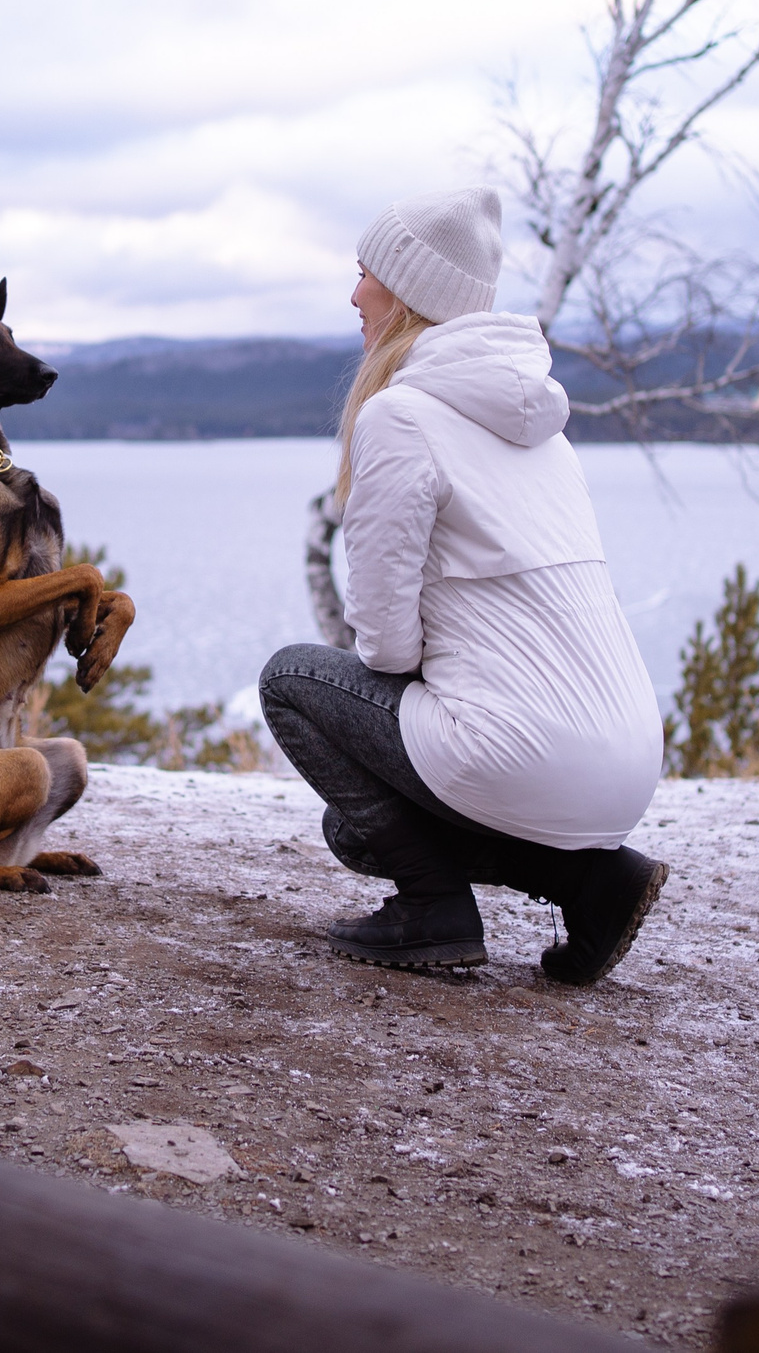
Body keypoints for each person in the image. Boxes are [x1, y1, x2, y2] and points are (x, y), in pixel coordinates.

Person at [258, 187, 667, 984]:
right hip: (628, 765)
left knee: (291, 680)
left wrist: (433, 696)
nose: (353, 295)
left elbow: (380, 638)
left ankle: (432, 906)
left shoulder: (400, 418)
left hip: (522, 755)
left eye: (364, 273)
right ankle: (590, 880)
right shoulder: (545, 433)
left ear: (406, 291)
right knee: (354, 829)